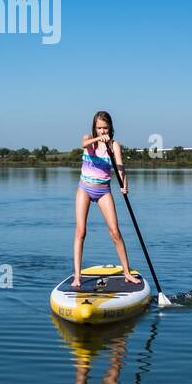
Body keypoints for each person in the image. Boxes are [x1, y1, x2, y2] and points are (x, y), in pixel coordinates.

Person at [72, 110, 142, 289]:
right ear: (95, 128)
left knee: (115, 232)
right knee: (81, 232)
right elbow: (83, 144)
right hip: (84, 189)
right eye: (99, 128)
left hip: (103, 191)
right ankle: (77, 277)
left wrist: (124, 184)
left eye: (105, 127)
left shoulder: (114, 146)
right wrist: (97, 139)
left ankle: (126, 272)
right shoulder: (90, 140)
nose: (102, 131)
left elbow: (120, 168)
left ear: (110, 127)